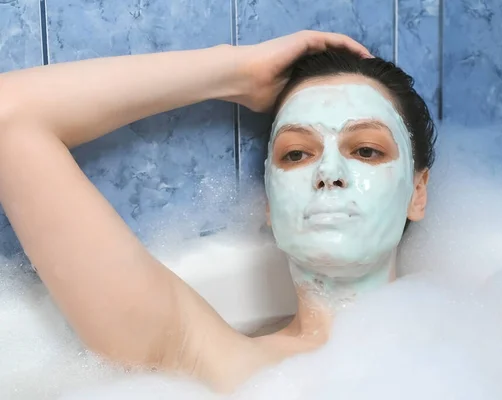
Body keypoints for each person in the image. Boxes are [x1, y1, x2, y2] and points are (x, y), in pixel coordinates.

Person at [0, 31, 435, 392]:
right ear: (268, 202)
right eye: (297, 154)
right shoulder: (205, 360)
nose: (328, 173)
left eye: (365, 150)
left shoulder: (489, 337)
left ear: (418, 192)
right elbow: (9, 116)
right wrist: (234, 73)